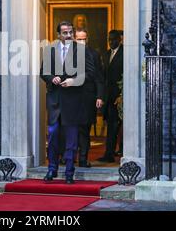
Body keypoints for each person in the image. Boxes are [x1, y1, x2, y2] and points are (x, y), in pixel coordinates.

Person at [40, 21, 95, 184]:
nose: (69, 35)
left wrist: (74, 80)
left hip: (73, 100)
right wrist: (52, 78)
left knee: (72, 139)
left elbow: (91, 73)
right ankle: (52, 170)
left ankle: (69, 172)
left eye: (70, 32)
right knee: (53, 136)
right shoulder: (50, 50)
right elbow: (43, 72)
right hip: (55, 101)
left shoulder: (82, 50)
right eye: (65, 32)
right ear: (58, 35)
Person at [74, 28, 104, 168]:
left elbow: (99, 77)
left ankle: (83, 159)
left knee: (85, 129)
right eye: (79, 39)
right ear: (74, 39)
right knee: (71, 129)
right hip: (71, 96)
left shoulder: (94, 54)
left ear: (87, 39)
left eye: (84, 39)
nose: (81, 41)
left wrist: (99, 96)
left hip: (88, 96)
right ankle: (69, 158)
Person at [98, 30, 123, 163]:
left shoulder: (125, 53)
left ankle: (116, 153)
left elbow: (127, 75)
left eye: (114, 39)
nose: (111, 42)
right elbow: (104, 76)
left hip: (119, 98)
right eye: (109, 39)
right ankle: (109, 153)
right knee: (111, 126)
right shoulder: (106, 54)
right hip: (108, 97)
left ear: (120, 39)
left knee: (117, 126)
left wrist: (122, 95)